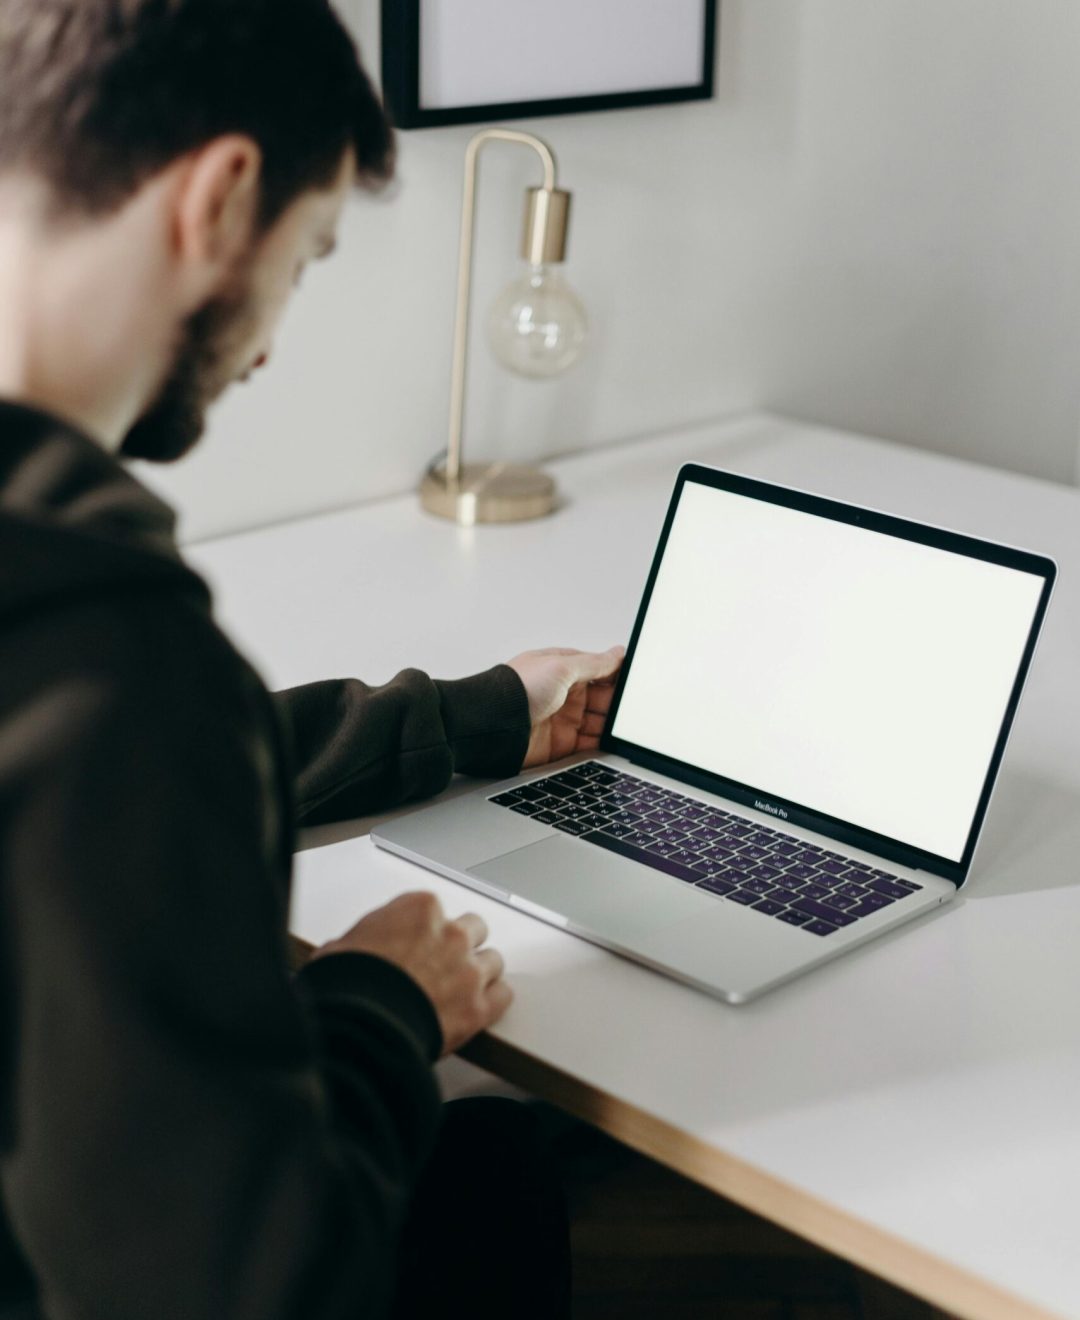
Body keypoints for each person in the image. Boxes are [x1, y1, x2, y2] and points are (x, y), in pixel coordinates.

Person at [0, 2, 624, 1316]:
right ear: (222, 199)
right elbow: (243, 1288)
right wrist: (381, 1003)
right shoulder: (116, 661)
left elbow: (97, 787)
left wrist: (482, 715)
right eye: (306, 257)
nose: (273, 339)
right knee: (490, 1176)